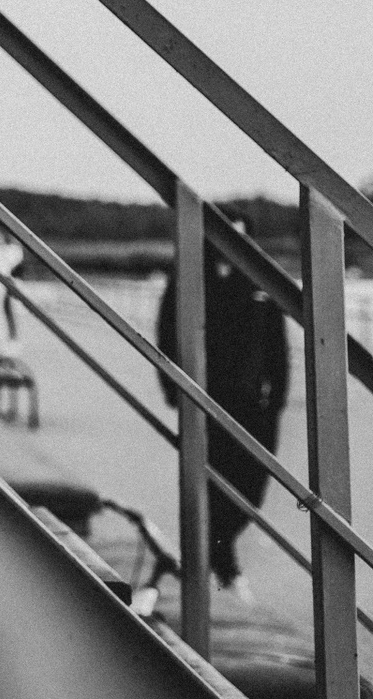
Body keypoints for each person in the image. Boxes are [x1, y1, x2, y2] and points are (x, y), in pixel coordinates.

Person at [157, 216, 288, 593]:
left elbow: (277, 346)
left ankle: (219, 551)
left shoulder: (260, 281)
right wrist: (172, 390)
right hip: (204, 401)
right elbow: (166, 330)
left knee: (252, 489)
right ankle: (216, 562)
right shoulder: (189, 277)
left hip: (255, 406)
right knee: (210, 482)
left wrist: (277, 398)